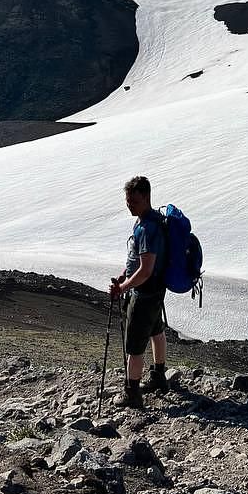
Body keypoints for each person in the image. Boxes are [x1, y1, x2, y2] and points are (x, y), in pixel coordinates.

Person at [110, 174, 168, 408]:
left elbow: (145, 270)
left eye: (133, 201)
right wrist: (125, 273)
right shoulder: (151, 220)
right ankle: (158, 377)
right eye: (127, 200)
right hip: (154, 290)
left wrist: (123, 287)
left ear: (146, 197)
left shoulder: (147, 228)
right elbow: (136, 261)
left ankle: (132, 393)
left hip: (144, 292)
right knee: (156, 330)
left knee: (134, 344)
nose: (129, 205)